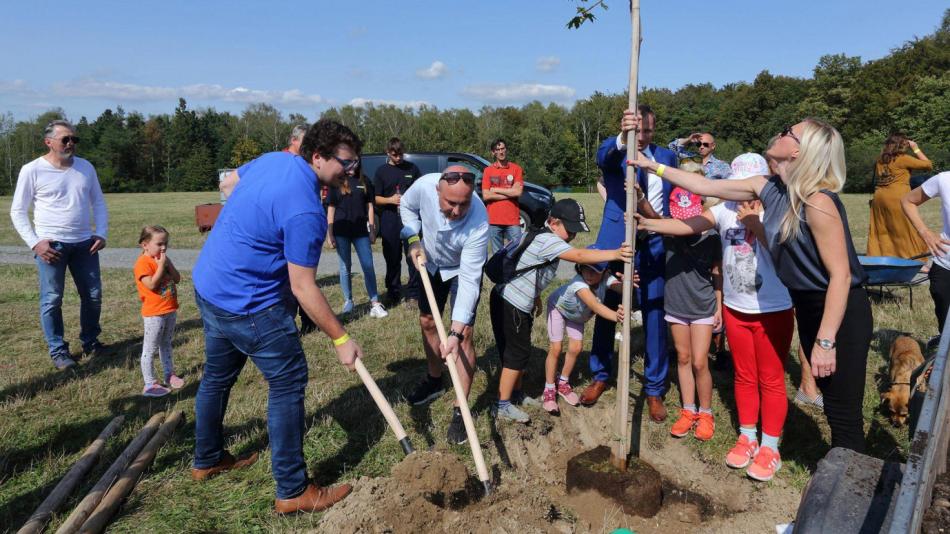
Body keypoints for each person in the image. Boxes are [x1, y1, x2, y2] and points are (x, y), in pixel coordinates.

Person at [629, 115, 873, 453]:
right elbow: (704, 187)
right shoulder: (768, 187)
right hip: (809, 306)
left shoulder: (818, 202)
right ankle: (837, 475)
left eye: (790, 132)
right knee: (833, 405)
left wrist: (826, 341)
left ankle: (851, 489)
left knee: (844, 413)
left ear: (799, 153)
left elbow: (841, 277)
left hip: (841, 310)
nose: (781, 130)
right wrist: (650, 166)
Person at [191, 120, 364, 514]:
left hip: (210, 286)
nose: (350, 172)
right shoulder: (306, 209)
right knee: (287, 383)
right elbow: (303, 287)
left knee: (217, 376)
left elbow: (229, 184)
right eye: (345, 163)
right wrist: (341, 338)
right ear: (317, 156)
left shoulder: (274, 160)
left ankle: (207, 459)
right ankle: (293, 489)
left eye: (354, 164)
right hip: (249, 305)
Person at [638, 153, 796, 480]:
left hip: (773, 309)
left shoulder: (780, 209)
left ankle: (770, 446)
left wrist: (754, 222)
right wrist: (648, 223)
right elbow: (687, 225)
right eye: (736, 187)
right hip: (736, 309)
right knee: (744, 375)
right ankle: (748, 436)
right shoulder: (723, 210)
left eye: (747, 187)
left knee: (770, 377)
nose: (741, 194)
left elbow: (784, 253)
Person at [490, 200, 632, 423]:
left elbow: (529, 269)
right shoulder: (549, 240)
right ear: (554, 222)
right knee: (515, 355)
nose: (573, 236)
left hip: (517, 300)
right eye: (571, 229)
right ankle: (502, 405)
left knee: (520, 351)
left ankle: (516, 394)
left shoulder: (543, 236)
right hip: (511, 302)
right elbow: (579, 256)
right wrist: (614, 254)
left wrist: (535, 297)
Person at [583, 104, 679, 424]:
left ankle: (654, 389)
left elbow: (675, 198)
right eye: (638, 130)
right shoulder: (617, 151)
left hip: (653, 240)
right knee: (610, 307)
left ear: (654, 129)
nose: (643, 136)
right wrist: (624, 136)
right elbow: (603, 158)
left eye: (648, 131)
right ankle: (600, 373)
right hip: (618, 243)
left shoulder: (666, 158)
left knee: (654, 311)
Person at [10, 120, 109, 370]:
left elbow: (97, 202)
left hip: (85, 244)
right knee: (52, 299)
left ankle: (91, 342)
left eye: (74, 139)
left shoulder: (86, 167)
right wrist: (35, 244)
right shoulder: (32, 170)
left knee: (93, 296)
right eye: (65, 139)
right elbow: (18, 211)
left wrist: (102, 233)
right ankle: (58, 351)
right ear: (48, 142)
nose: (70, 144)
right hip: (51, 246)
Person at [400, 165, 489, 444]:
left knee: (463, 338)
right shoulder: (424, 184)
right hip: (430, 263)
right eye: (451, 203)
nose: (457, 211)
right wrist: (413, 237)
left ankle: (461, 410)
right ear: (438, 190)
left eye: (463, 204)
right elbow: (406, 206)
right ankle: (434, 379)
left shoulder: (479, 220)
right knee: (427, 321)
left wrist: (454, 331)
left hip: (460, 271)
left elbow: (471, 281)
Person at [543, 256, 628, 415]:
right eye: (585, 268)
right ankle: (548, 389)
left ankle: (563, 382)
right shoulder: (579, 283)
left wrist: (628, 283)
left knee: (576, 348)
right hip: (558, 309)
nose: (589, 274)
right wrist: (616, 316)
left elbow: (620, 288)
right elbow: (595, 306)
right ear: (579, 268)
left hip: (577, 316)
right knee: (556, 348)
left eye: (595, 271)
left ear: (604, 272)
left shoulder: (607, 278)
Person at [327, 167, 387, 318]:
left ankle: (374, 302)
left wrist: (372, 230)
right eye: (348, 163)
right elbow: (331, 209)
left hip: (361, 232)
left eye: (355, 162)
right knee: (345, 267)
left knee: (368, 265)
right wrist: (330, 233)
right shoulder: (336, 182)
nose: (352, 166)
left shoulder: (364, 180)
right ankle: (348, 301)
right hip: (341, 231)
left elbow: (370, 206)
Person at [134, 225, 184, 398]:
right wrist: (161, 266)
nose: (163, 248)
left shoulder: (163, 259)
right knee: (150, 348)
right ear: (145, 245)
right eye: (159, 244)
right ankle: (149, 384)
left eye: (166, 244)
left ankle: (169, 374)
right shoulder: (143, 263)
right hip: (154, 313)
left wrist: (167, 263)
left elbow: (177, 279)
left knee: (166, 343)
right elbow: (152, 285)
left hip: (169, 309)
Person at [374, 138, 422, 307]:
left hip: (410, 220)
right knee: (392, 257)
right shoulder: (381, 171)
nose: (398, 157)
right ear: (388, 152)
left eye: (401, 154)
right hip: (390, 219)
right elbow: (375, 198)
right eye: (394, 154)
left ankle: (414, 294)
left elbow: (420, 192)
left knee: (413, 256)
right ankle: (393, 292)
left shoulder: (412, 169)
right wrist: (390, 200)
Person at [901, 171, 950, 337]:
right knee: (946, 331)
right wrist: (925, 232)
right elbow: (908, 201)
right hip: (945, 264)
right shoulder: (944, 180)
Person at [868, 134, 932, 259]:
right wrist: (916, 148)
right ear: (902, 145)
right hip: (897, 197)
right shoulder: (903, 158)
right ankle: (915, 259)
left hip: (879, 197)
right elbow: (928, 165)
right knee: (905, 228)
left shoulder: (880, 159)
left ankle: (883, 256)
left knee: (883, 229)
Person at [482, 138, 524, 253]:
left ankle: (513, 272)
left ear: (506, 149)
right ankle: (500, 272)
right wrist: (510, 193)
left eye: (503, 148)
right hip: (494, 219)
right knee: (497, 255)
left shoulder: (516, 169)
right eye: (498, 149)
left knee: (516, 251)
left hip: (512, 220)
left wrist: (495, 189)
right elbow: (486, 195)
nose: (501, 152)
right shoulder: (488, 171)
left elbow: (518, 192)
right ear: (493, 152)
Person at [668, 132, 732, 180]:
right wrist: (689, 139)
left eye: (705, 144)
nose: (701, 147)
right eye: (698, 144)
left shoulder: (722, 166)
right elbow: (672, 146)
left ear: (713, 146)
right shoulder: (690, 158)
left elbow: (730, 186)